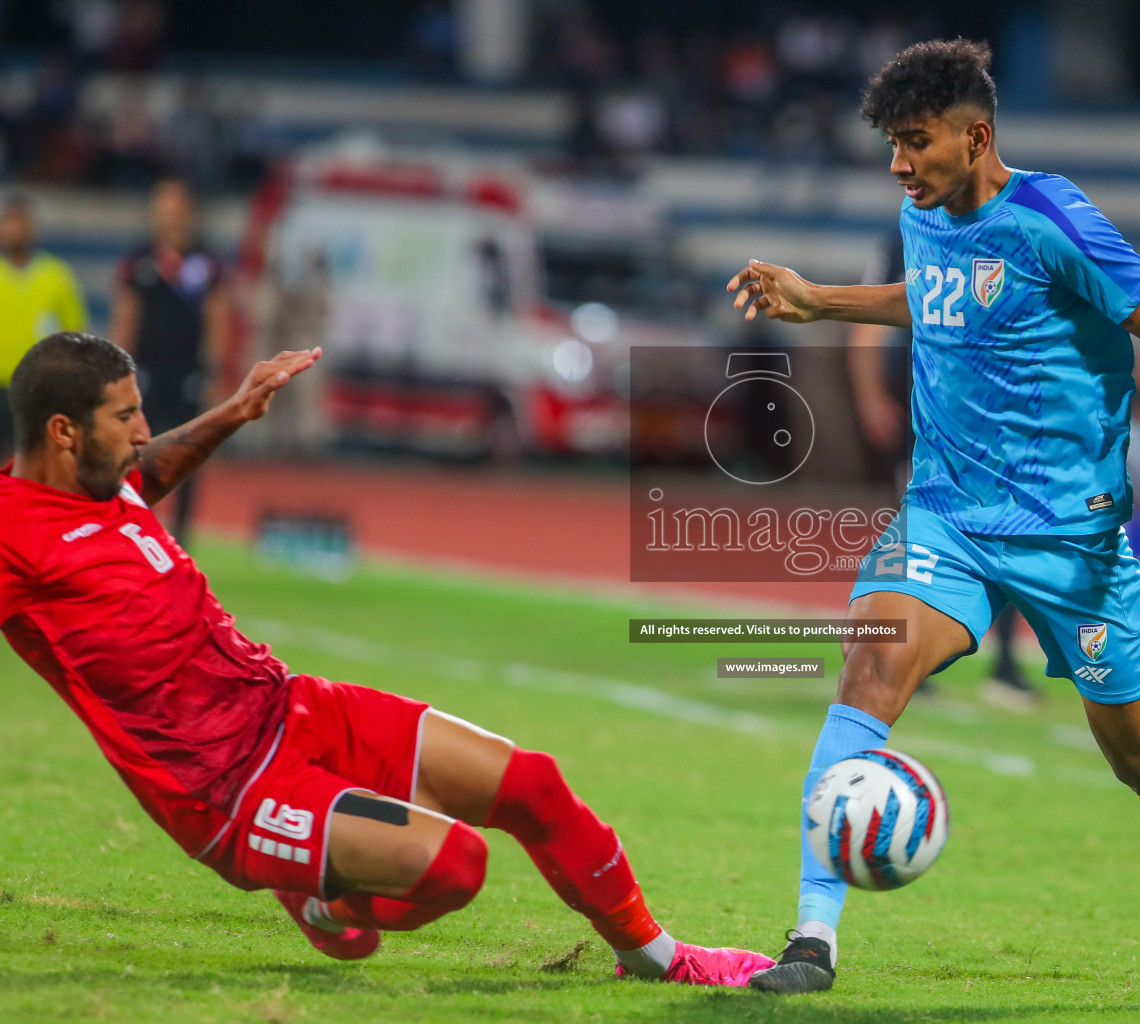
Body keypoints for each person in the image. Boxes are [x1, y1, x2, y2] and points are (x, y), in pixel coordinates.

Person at [727, 39, 1140, 994]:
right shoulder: (922, 212)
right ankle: (811, 941)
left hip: (1074, 543)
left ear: (976, 135)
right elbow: (945, 302)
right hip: (947, 515)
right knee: (872, 664)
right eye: (892, 146)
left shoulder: (1054, 220)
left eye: (915, 143)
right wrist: (823, 302)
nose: (899, 165)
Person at [0, 332, 772, 985]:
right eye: (126, 415)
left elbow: (147, 473)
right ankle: (318, 896)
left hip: (291, 704)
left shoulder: (106, 483)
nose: (142, 430)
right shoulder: (13, 533)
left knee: (533, 783)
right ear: (65, 432)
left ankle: (660, 960)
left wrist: (237, 409)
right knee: (455, 868)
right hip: (226, 789)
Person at [846, 228, 1041, 711]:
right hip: (926, 417)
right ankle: (904, 653)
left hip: (984, 419)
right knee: (913, 534)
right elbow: (867, 326)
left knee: (1004, 529)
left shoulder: (1001, 234)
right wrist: (871, 397)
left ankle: (1002, 660)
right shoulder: (905, 240)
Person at [109, 178, 228, 544]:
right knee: (137, 450)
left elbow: (217, 317)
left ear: (186, 212)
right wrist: (117, 371)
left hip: (189, 370)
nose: (164, 218)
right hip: (144, 371)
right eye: (159, 210)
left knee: (190, 451)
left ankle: (182, 535)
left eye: (171, 209)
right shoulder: (139, 260)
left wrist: (215, 371)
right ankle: (138, 527)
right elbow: (126, 316)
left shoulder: (205, 263)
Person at [0, 193, 88, 460]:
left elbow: (76, 333)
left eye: (22, 222)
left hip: (39, 389)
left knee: (35, 461)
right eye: (9, 222)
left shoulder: (56, 276)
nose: (15, 230)